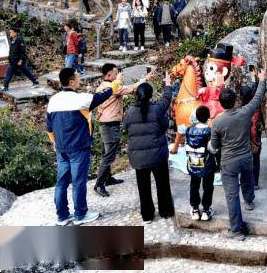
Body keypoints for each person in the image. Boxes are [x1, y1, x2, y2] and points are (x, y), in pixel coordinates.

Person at [46, 68, 121, 226]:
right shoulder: (81, 99)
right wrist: (116, 83)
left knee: (61, 183)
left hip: (61, 148)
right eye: (78, 77)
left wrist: (54, 143)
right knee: (78, 182)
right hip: (79, 147)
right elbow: (103, 96)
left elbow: (49, 128)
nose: (80, 79)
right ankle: (80, 214)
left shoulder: (53, 101)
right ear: (72, 82)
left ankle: (62, 216)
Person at [209, 69, 267, 241]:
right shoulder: (245, 112)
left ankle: (236, 230)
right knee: (248, 179)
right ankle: (249, 201)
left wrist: (211, 147)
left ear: (221, 104)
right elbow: (257, 98)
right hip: (246, 157)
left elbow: (215, 146)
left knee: (232, 195)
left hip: (228, 162)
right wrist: (262, 80)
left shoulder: (217, 122)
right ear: (235, 100)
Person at [93, 63, 153, 197]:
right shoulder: (111, 87)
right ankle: (99, 184)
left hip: (105, 123)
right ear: (109, 74)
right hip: (110, 124)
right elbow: (130, 89)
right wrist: (145, 80)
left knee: (106, 152)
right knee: (109, 155)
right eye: (116, 73)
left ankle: (107, 178)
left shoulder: (103, 86)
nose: (119, 75)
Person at [123, 76, 175, 223]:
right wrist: (168, 85)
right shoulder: (157, 109)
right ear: (151, 95)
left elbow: (126, 129)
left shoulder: (130, 112)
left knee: (143, 186)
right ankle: (165, 211)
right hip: (158, 155)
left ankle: (147, 215)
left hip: (138, 157)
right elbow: (166, 100)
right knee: (162, 183)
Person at [179, 106, 216, 222]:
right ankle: (206, 211)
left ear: (196, 117)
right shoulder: (209, 131)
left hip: (193, 163)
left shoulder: (189, 130)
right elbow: (213, 149)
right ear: (208, 117)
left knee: (194, 185)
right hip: (207, 164)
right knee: (208, 187)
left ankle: (195, 209)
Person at [240, 80, 264, 190]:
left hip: (245, 141)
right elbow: (257, 127)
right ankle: (255, 183)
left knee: (245, 161)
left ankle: (246, 182)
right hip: (255, 140)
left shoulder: (240, 111)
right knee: (256, 160)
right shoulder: (256, 109)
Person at [2, 26, 40, 91]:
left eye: (11, 32)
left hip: (18, 60)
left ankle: (35, 82)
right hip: (13, 60)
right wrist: (9, 58)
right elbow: (11, 50)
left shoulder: (20, 40)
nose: (10, 33)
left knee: (26, 71)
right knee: (9, 72)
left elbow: (23, 51)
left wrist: (21, 60)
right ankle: (5, 86)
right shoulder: (12, 40)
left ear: (15, 33)